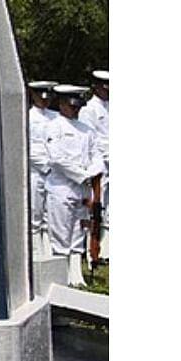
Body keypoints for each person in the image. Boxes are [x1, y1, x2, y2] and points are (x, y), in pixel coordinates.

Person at [44, 84, 106, 287]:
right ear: (61, 104)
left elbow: (96, 155)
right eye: (71, 106)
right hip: (62, 186)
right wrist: (82, 175)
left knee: (79, 230)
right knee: (61, 231)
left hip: (83, 188)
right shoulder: (54, 126)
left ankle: (76, 275)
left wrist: (93, 173)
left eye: (77, 106)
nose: (75, 109)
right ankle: (59, 277)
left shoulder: (86, 129)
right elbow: (57, 158)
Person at [78, 70, 109, 263]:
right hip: (100, 163)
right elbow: (92, 139)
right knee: (96, 206)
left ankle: (107, 249)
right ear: (97, 87)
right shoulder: (89, 110)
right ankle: (90, 248)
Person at [26, 80, 58, 258]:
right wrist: (45, 166)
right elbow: (27, 147)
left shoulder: (55, 117)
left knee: (51, 214)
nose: (44, 101)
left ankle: (50, 251)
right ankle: (36, 252)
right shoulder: (28, 117)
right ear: (33, 95)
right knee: (35, 211)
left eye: (47, 97)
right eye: (41, 97)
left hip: (56, 172)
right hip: (36, 171)